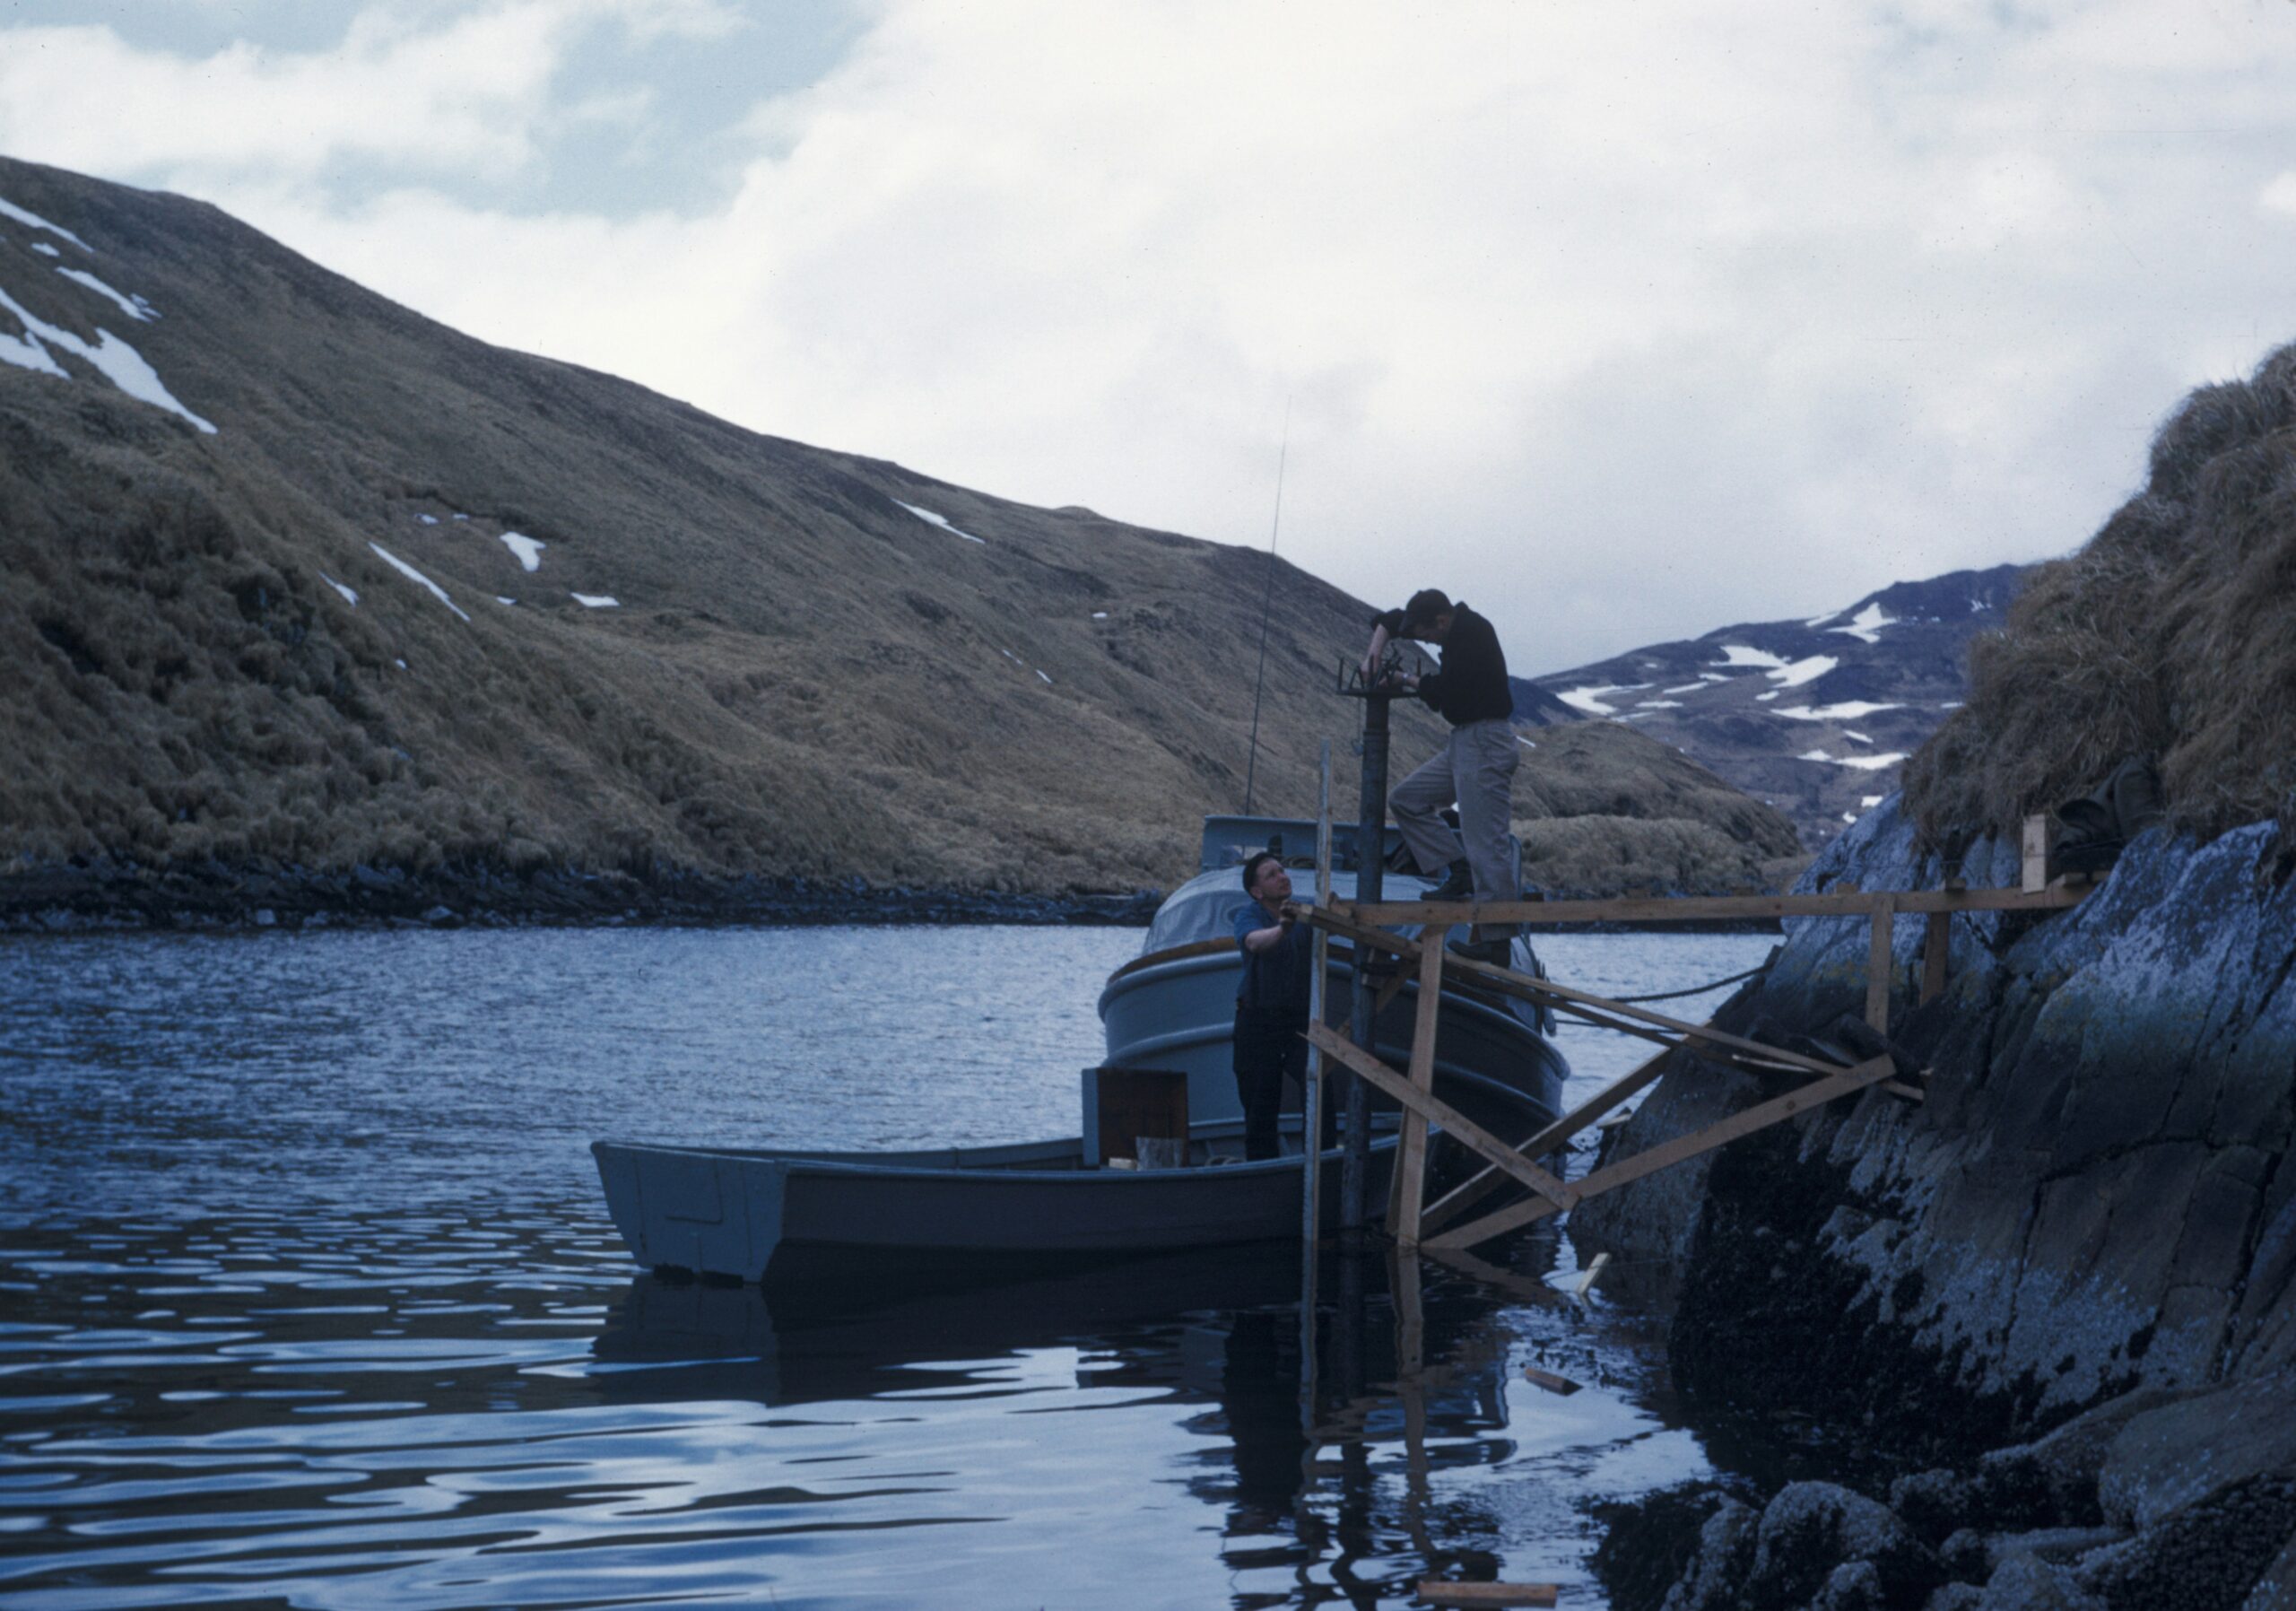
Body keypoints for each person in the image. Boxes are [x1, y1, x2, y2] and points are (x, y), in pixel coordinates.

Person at [1362, 588, 1519, 964]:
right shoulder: (1452, 625)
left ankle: (1496, 944)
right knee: (1407, 799)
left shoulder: (1472, 636)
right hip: (1464, 742)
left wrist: (1403, 679)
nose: (1427, 642)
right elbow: (1391, 618)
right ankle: (1460, 870)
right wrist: (1377, 649)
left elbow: (1445, 694)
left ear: (1442, 621)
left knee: (1487, 842)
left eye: (1427, 635)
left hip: (1485, 742)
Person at [1231, 850, 1314, 1163]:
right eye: (1272, 875)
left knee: (1320, 1090)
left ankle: (1320, 1163)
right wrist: (1283, 929)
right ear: (1257, 891)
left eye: (1282, 870)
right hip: (1257, 1022)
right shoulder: (1248, 916)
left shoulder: (1305, 916)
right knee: (1260, 1106)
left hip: (1297, 1022)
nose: (1283, 876)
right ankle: (1262, 1174)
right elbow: (1254, 943)